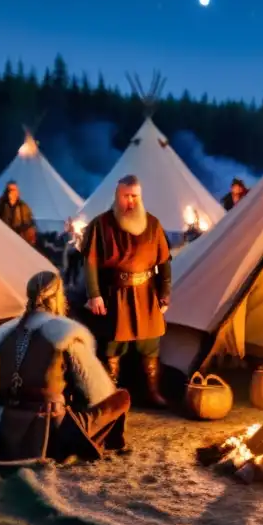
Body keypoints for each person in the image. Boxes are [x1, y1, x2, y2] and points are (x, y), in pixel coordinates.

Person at [0, 271, 131, 464]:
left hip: (2, 432)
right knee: (121, 398)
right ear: (57, 297)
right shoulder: (64, 332)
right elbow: (98, 391)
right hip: (49, 434)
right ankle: (111, 444)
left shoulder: (5, 332)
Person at [81, 174, 172, 407]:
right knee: (113, 346)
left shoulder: (153, 224)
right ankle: (111, 395)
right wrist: (94, 294)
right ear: (117, 196)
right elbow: (90, 262)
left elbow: (164, 262)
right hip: (117, 294)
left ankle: (152, 392)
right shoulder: (101, 225)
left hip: (146, 293)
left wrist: (165, 293)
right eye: (125, 196)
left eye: (135, 196)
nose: (130, 201)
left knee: (151, 344)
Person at [0, 181, 38, 245]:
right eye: (10, 190)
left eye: (14, 190)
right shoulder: (2, 205)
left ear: (18, 192)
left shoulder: (23, 207)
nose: (12, 192)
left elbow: (29, 224)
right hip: (1, 237)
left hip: (17, 241)